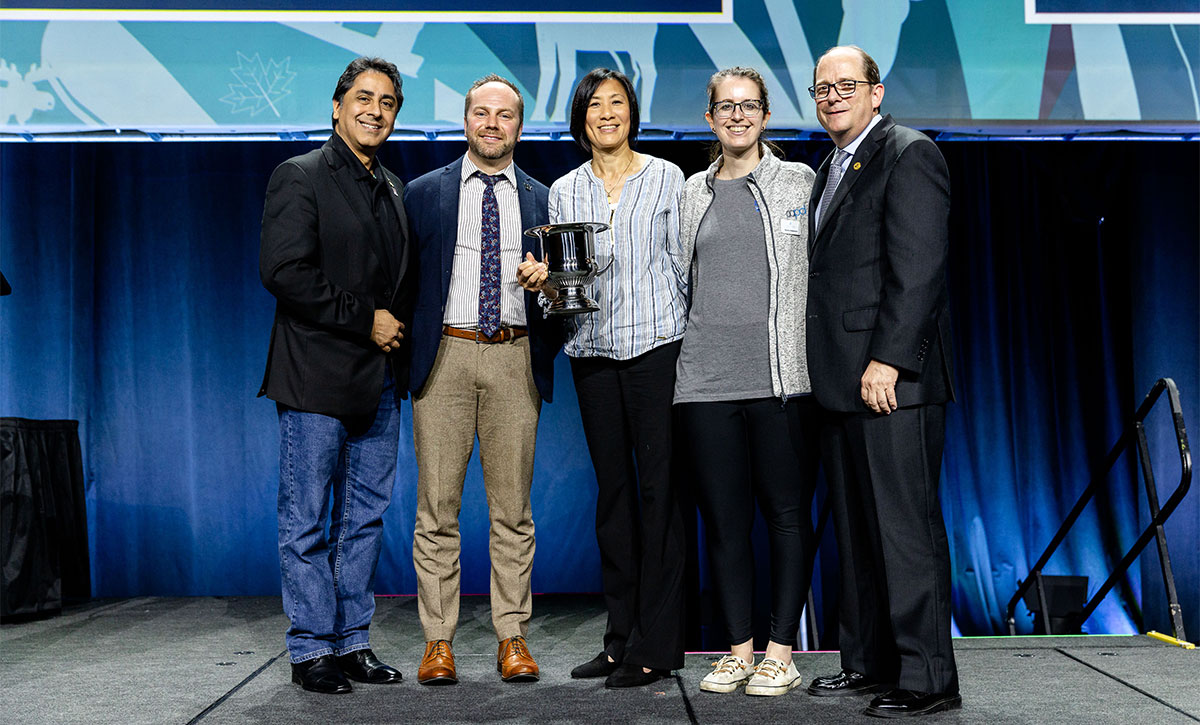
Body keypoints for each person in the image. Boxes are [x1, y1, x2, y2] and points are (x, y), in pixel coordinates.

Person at [519, 67, 688, 689]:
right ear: (580, 118)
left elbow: (682, 266)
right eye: (595, 105)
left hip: (657, 350)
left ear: (632, 113)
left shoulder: (667, 177)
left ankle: (658, 643)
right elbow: (568, 290)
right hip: (593, 354)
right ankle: (619, 639)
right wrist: (545, 289)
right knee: (614, 499)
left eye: (617, 103)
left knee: (660, 496)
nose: (607, 114)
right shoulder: (564, 191)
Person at [804, 45, 960, 717]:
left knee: (905, 532)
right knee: (860, 533)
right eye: (822, 88)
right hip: (839, 384)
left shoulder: (909, 152)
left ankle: (928, 676)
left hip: (892, 382)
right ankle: (866, 661)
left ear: (876, 90)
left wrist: (890, 359)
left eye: (846, 85)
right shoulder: (829, 167)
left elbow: (920, 268)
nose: (833, 96)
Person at [258, 56, 411, 695]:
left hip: (377, 383)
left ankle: (351, 642)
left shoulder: (395, 186)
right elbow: (284, 272)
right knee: (307, 521)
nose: (375, 110)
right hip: (316, 378)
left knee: (364, 521)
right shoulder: (300, 176)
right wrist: (366, 320)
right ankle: (310, 648)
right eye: (364, 98)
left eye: (388, 102)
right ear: (337, 105)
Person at [403, 74, 557, 686]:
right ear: (465, 121)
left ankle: (511, 637)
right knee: (436, 509)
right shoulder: (422, 193)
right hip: (446, 354)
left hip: (514, 356)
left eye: (505, 115)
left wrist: (546, 285)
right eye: (481, 113)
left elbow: (569, 292)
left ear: (521, 126)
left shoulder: (547, 200)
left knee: (512, 511)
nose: (492, 124)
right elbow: (403, 282)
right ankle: (437, 641)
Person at [673, 67, 818, 697]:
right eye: (724, 107)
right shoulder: (689, 192)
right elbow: (680, 281)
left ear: (765, 114)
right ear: (709, 118)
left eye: (748, 105)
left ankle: (780, 652)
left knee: (786, 516)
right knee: (725, 523)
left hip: (782, 383)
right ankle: (737, 650)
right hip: (705, 383)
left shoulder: (798, 182)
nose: (737, 116)